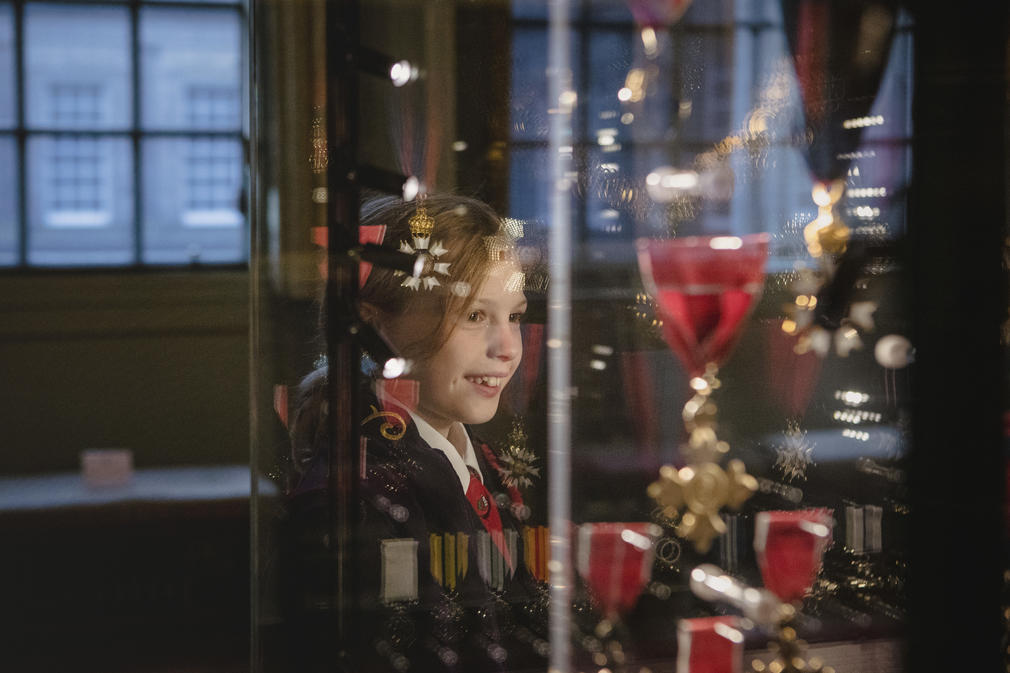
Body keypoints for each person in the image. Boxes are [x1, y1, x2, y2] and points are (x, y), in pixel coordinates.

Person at [285, 193, 549, 673]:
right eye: (473, 316)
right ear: (373, 326)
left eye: (514, 316)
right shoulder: (355, 497)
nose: (508, 347)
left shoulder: (483, 464)